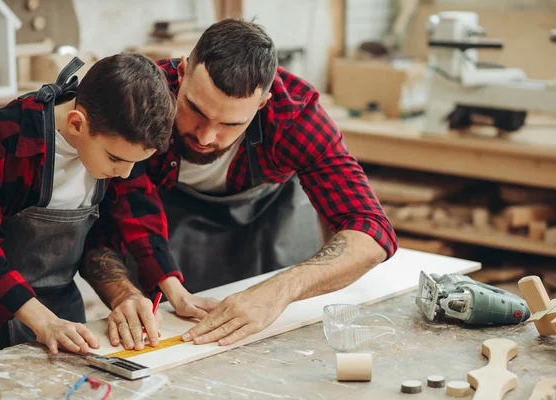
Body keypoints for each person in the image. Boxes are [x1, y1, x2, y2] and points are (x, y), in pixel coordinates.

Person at [87, 18, 398, 349]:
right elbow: (93, 223)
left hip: (266, 268)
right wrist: (123, 294)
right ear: (181, 72)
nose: (206, 136)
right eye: (195, 109)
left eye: (230, 123)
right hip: (163, 290)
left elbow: (372, 230)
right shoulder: (139, 99)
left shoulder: (292, 115)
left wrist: (278, 292)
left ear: (262, 103)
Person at [0, 53, 176, 361]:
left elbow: (105, 238)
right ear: (76, 124)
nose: (126, 174)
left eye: (134, 163)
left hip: (62, 314)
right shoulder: (6, 135)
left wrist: (127, 294)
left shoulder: (120, 147)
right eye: (116, 160)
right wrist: (44, 322)